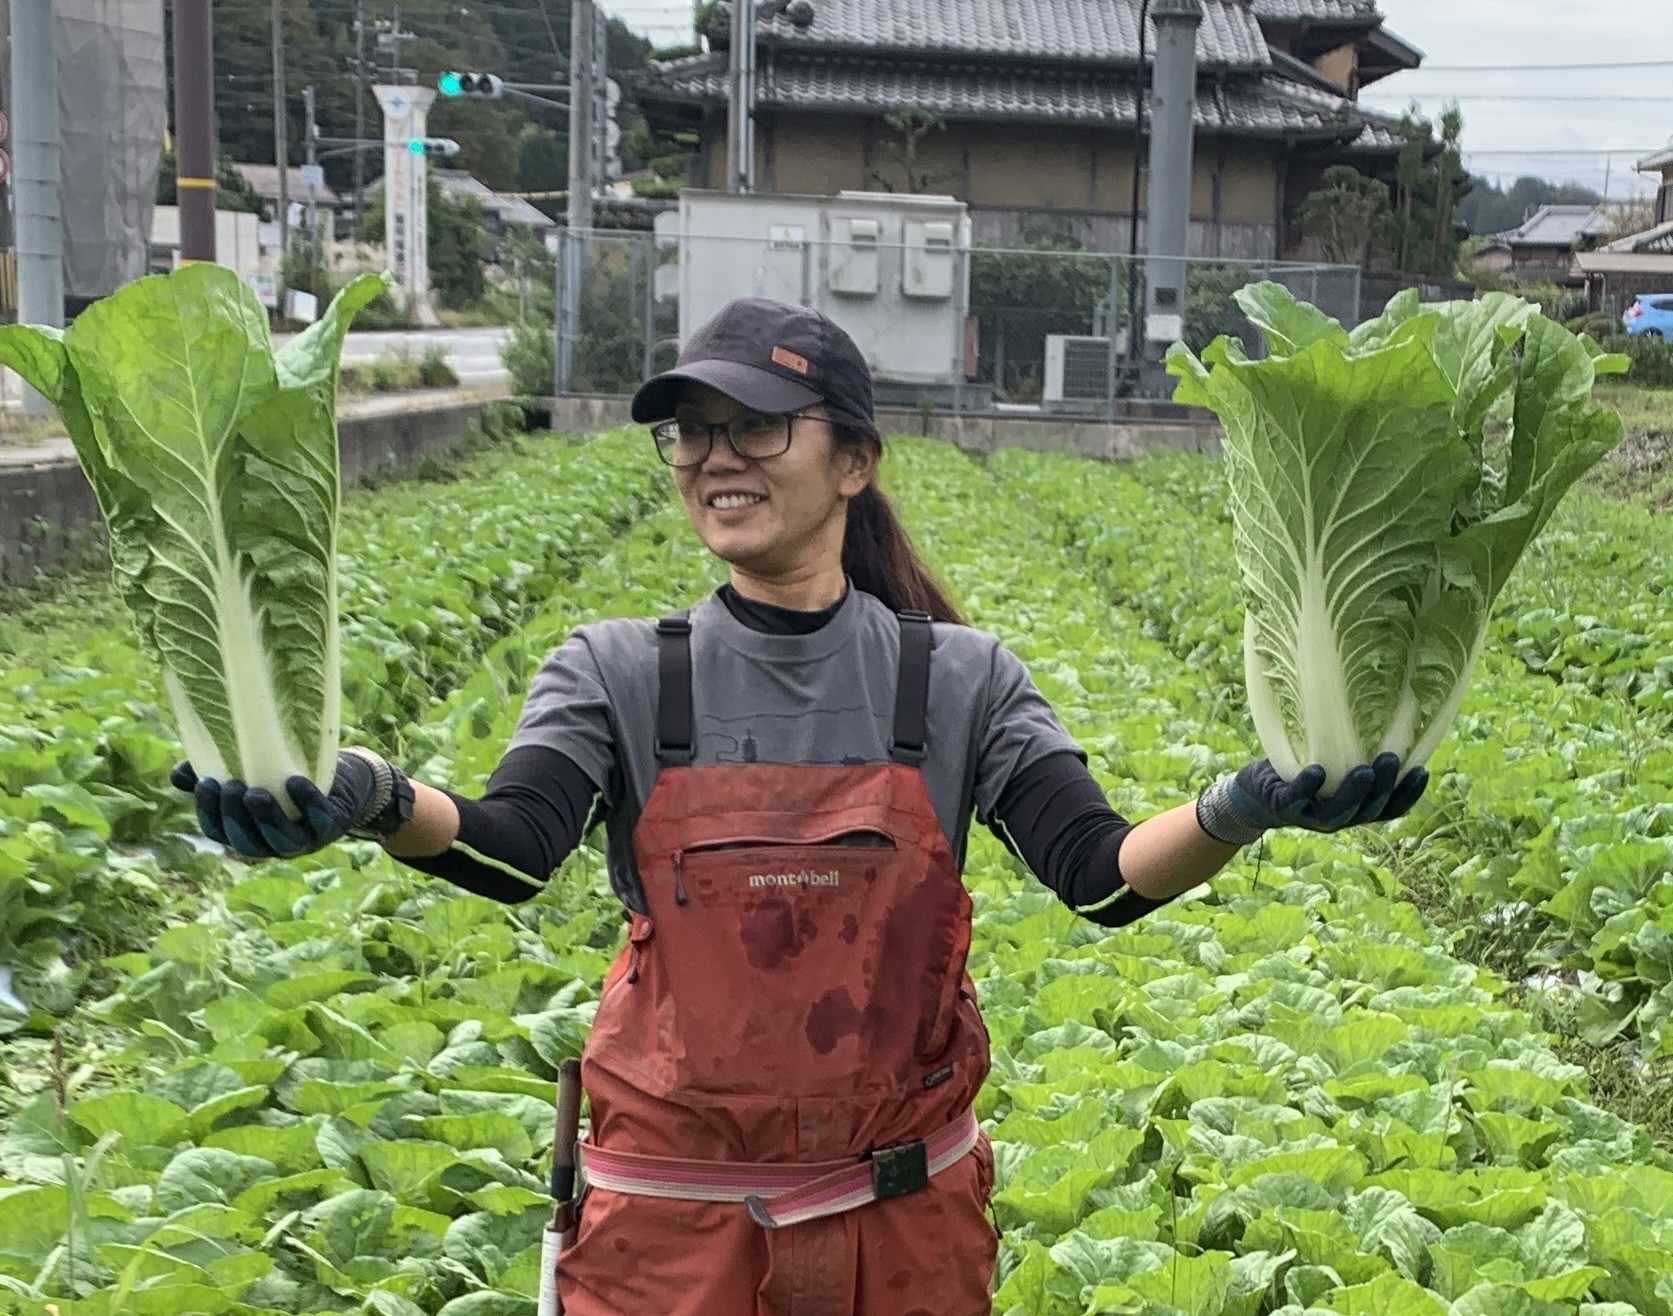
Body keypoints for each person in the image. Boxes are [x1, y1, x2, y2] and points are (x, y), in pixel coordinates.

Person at [173, 296, 1427, 1315]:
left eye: (758, 427)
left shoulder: (957, 677)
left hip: (901, 1230)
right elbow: (510, 848)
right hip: (672, 1235)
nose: (715, 456)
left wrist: (1240, 803)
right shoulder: (617, 668)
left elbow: (1096, 873)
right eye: (690, 432)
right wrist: (375, 796)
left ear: (853, 462)